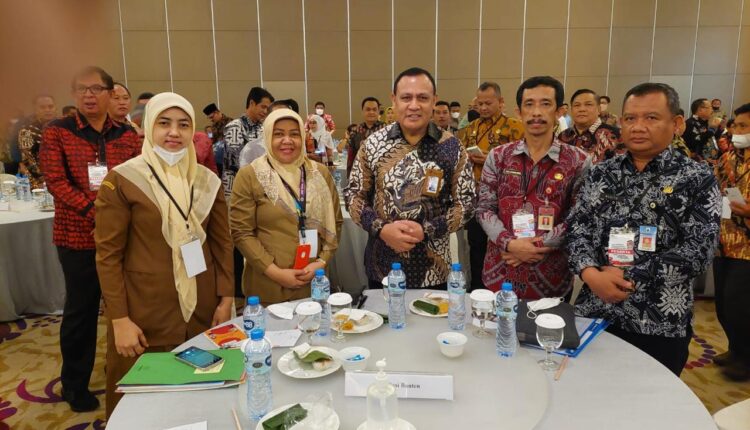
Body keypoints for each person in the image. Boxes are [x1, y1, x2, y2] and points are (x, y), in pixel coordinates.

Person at [566, 82, 720, 376]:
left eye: (651, 118)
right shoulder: (601, 173)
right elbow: (577, 228)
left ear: (676, 123)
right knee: (587, 393)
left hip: (658, 321)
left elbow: (699, 250)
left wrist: (628, 276)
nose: (637, 127)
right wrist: (589, 273)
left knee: (652, 400)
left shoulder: (696, 178)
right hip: (595, 311)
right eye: (630, 118)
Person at [94, 92, 234, 416]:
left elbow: (222, 244)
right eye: (164, 123)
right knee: (141, 402)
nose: (174, 132)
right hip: (144, 313)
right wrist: (120, 320)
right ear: (148, 127)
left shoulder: (206, 181)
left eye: (183, 125)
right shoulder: (124, 180)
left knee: (201, 391)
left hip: (201, 307)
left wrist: (226, 298)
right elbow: (108, 256)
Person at [39, 66, 141, 412]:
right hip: (76, 238)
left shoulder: (126, 135)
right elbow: (56, 181)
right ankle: (74, 384)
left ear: (110, 94)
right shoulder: (58, 131)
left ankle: (127, 372)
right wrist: (96, 212)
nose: (89, 95)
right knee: (81, 312)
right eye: (81, 89)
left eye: (96, 88)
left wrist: (119, 219)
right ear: (73, 94)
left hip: (121, 238)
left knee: (125, 308)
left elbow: (136, 179)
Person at [345, 67, 475, 290]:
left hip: (434, 272)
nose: (414, 105)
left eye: (422, 98)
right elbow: (353, 195)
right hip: (382, 267)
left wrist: (428, 230)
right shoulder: (373, 144)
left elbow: (467, 203)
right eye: (406, 98)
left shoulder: (452, 147)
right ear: (394, 100)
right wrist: (381, 229)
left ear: (434, 101)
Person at [476, 76, 590, 299]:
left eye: (545, 104)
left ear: (559, 112)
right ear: (519, 112)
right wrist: (510, 244)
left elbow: (579, 217)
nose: (536, 112)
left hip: (550, 280)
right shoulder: (498, 156)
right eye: (529, 104)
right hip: (499, 274)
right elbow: (484, 208)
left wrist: (534, 246)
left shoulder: (578, 161)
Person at [230, 109, 342, 304]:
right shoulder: (250, 175)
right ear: (267, 137)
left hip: (314, 281)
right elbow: (241, 232)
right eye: (278, 134)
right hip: (268, 285)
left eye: (294, 134)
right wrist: (275, 272)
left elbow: (336, 222)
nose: (287, 140)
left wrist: (321, 262)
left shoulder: (319, 173)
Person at [457, 81, 524, 291]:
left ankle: (505, 289)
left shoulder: (516, 128)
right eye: (480, 104)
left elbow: (525, 161)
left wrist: (492, 159)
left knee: (504, 245)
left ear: (501, 101)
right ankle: (478, 288)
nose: (483, 108)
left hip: (506, 199)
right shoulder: (469, 129)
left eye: (488, 103)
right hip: (476, 198)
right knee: (476, 244)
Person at [713, 102, 750, 382]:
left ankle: (746, 359)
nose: (737, 130)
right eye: (735, 125)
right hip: (724, 240)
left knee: (741, 305)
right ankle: (735, 349)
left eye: (744, 126)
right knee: (724, 304)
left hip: (747, 247)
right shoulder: (728, 158)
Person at [558, 89, 622, 163]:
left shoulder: (617, 136)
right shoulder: (563, 136)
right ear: (571, 110)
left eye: (588, 104)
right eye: (577, 105)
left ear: (599, 109)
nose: (582, 109)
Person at [18, 94, 56, 188]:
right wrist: (42, 180)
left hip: (62, 180)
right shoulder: (27, 131)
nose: (47, 110)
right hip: (38, 183)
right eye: (42, 107)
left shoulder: (62, 129)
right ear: (35, 110)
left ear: (55, 108)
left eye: (50, 106)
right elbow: (28, 160)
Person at [347, 97, 384, 177]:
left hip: (382, 174)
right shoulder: (355, 131)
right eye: (368, 109)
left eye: (374, 109)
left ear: (378, 111)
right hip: (360, 175)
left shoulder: (386, 129)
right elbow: (351, 156)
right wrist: (350, 176)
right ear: (362, 111)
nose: (371, 112)